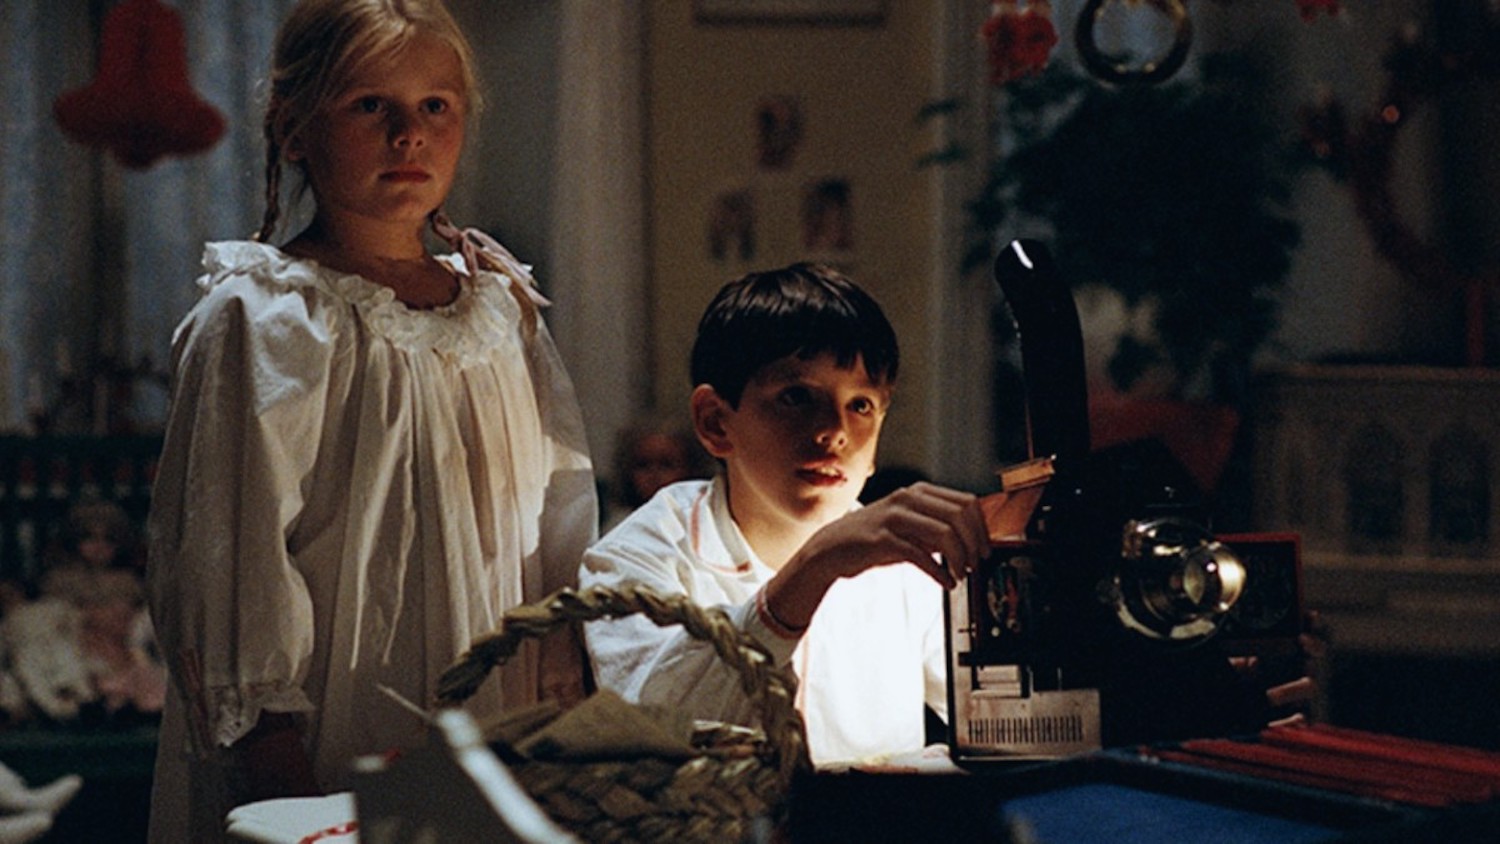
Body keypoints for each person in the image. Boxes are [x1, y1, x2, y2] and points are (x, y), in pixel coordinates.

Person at [144, 1, 597, 840]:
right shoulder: (266, 321)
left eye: (435, 106)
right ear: (293, 130)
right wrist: (289, 784)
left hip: (497, 728)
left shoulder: (501, 312)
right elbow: (230, 562)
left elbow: (556, 526)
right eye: (369, 105)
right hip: (328, 742)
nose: (409, 134)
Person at [580, 263, 990, 768]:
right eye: (797, 397)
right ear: (715, 422)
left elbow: (996, 726)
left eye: (861, 405)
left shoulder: (910, 570)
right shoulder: (638, 555)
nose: (834, 431)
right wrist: (815, 567)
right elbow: (660, 727)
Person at [601, 413, 713, 534]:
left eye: (666, 465)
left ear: (691, 469)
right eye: (643, 465)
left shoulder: (706, 523)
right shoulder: (618, 527)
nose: (654, 475)